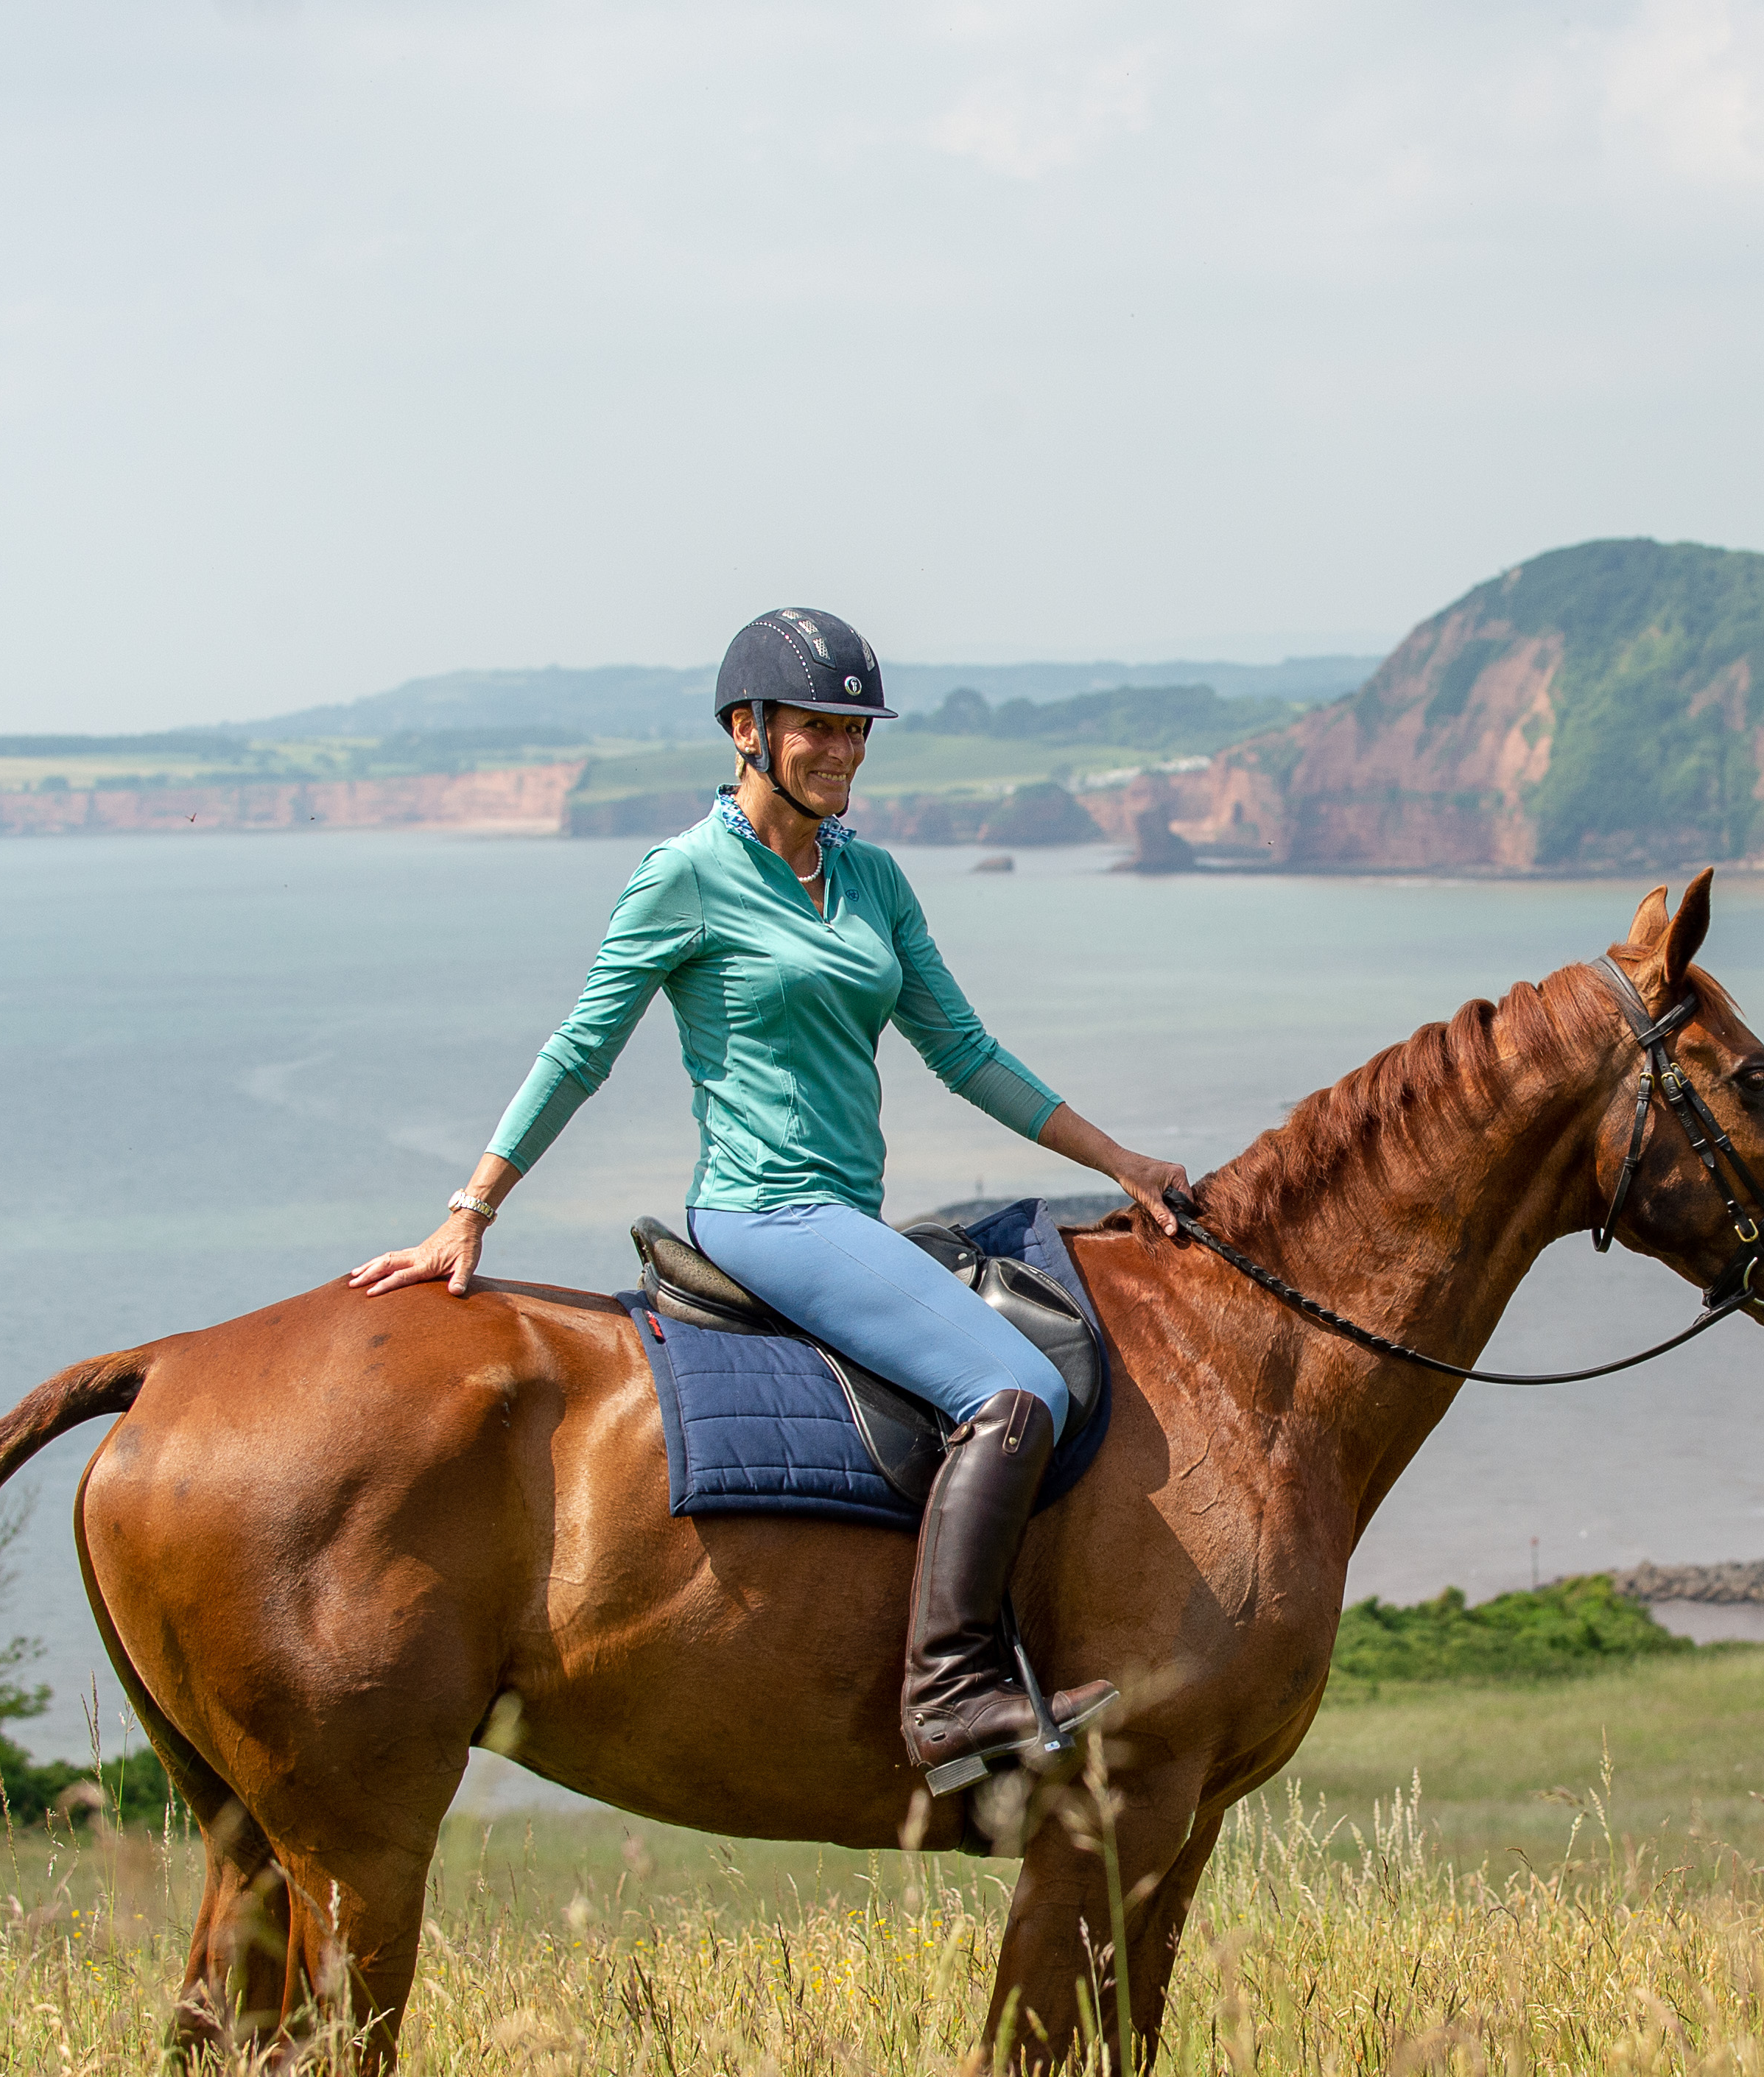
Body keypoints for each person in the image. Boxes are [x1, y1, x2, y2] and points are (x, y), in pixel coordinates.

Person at [350, 605, 1190, 1785]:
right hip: (763, 1215)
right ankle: (950, 1696)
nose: (841, 750)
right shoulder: (685, 876)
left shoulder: (873, 880)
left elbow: (967, 1053)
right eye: (815, 727)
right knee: (1013, 1386)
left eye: (856, 730)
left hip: (848, 1214)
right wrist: (471, 1208)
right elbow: (581, 1050)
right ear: (746, 730)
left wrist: (1124, 1165)